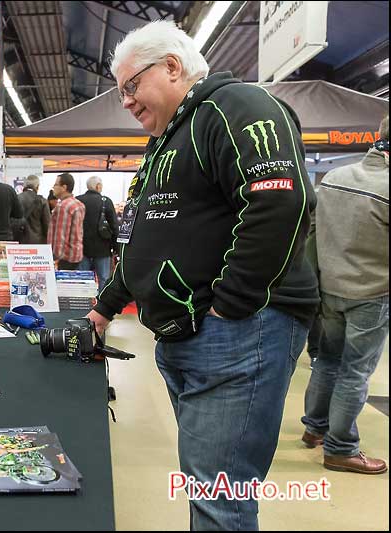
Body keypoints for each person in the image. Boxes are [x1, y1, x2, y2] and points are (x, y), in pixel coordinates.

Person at [86, 21, 318, 530]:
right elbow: (148, 235)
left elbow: (280, 203)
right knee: (207, 485)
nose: (125, 101)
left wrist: (229, 305)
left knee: (219, 494)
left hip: (237, 332)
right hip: (190, 334)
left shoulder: (237, 108)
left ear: (172, 66)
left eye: (130, 86)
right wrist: (106, 304)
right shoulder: (170, 137)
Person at [300, 115, 389, 475]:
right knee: (355, 371)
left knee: (328, 361)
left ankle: (314, 428)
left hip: (329, 288)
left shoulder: (333, 179)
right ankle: (341, 449)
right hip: (373, 293)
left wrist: (317, 282)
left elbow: (312, 237)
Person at [76, 176, 118, 289]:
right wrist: (116, 248)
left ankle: (84, 304)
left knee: (82, 279)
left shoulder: (77, 200)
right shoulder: (106, 201)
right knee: (103, 279)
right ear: (98, 186)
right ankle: (101, 304)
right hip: (102, 248)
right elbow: (114, 226)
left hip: (81, 248)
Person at [47, 172, 85, 270]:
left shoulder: (63, 206)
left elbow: (61, 236)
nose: (53, 187)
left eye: (55, 185)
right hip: (76, 254)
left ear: (64, 187)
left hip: (64, 258)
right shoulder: (79, 204)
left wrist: (56, 258)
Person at [14, 174, 50, 244]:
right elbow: (47, 225)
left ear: (24, 186)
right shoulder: (42, 201)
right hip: (37, 243)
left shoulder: (16, 199)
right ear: (37, 187)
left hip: (19, 242)